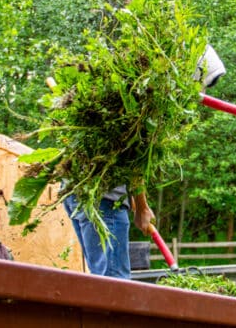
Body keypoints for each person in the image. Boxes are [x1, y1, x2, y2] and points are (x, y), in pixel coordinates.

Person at [63, 44, 226, 279]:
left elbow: (118, 152)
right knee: (114, 284)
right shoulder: (150, 100)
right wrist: (141, 207)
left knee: (100, 278)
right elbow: (134, 159)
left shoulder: (128, 80)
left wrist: (133, 198)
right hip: (103, 199)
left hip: (77, 188)